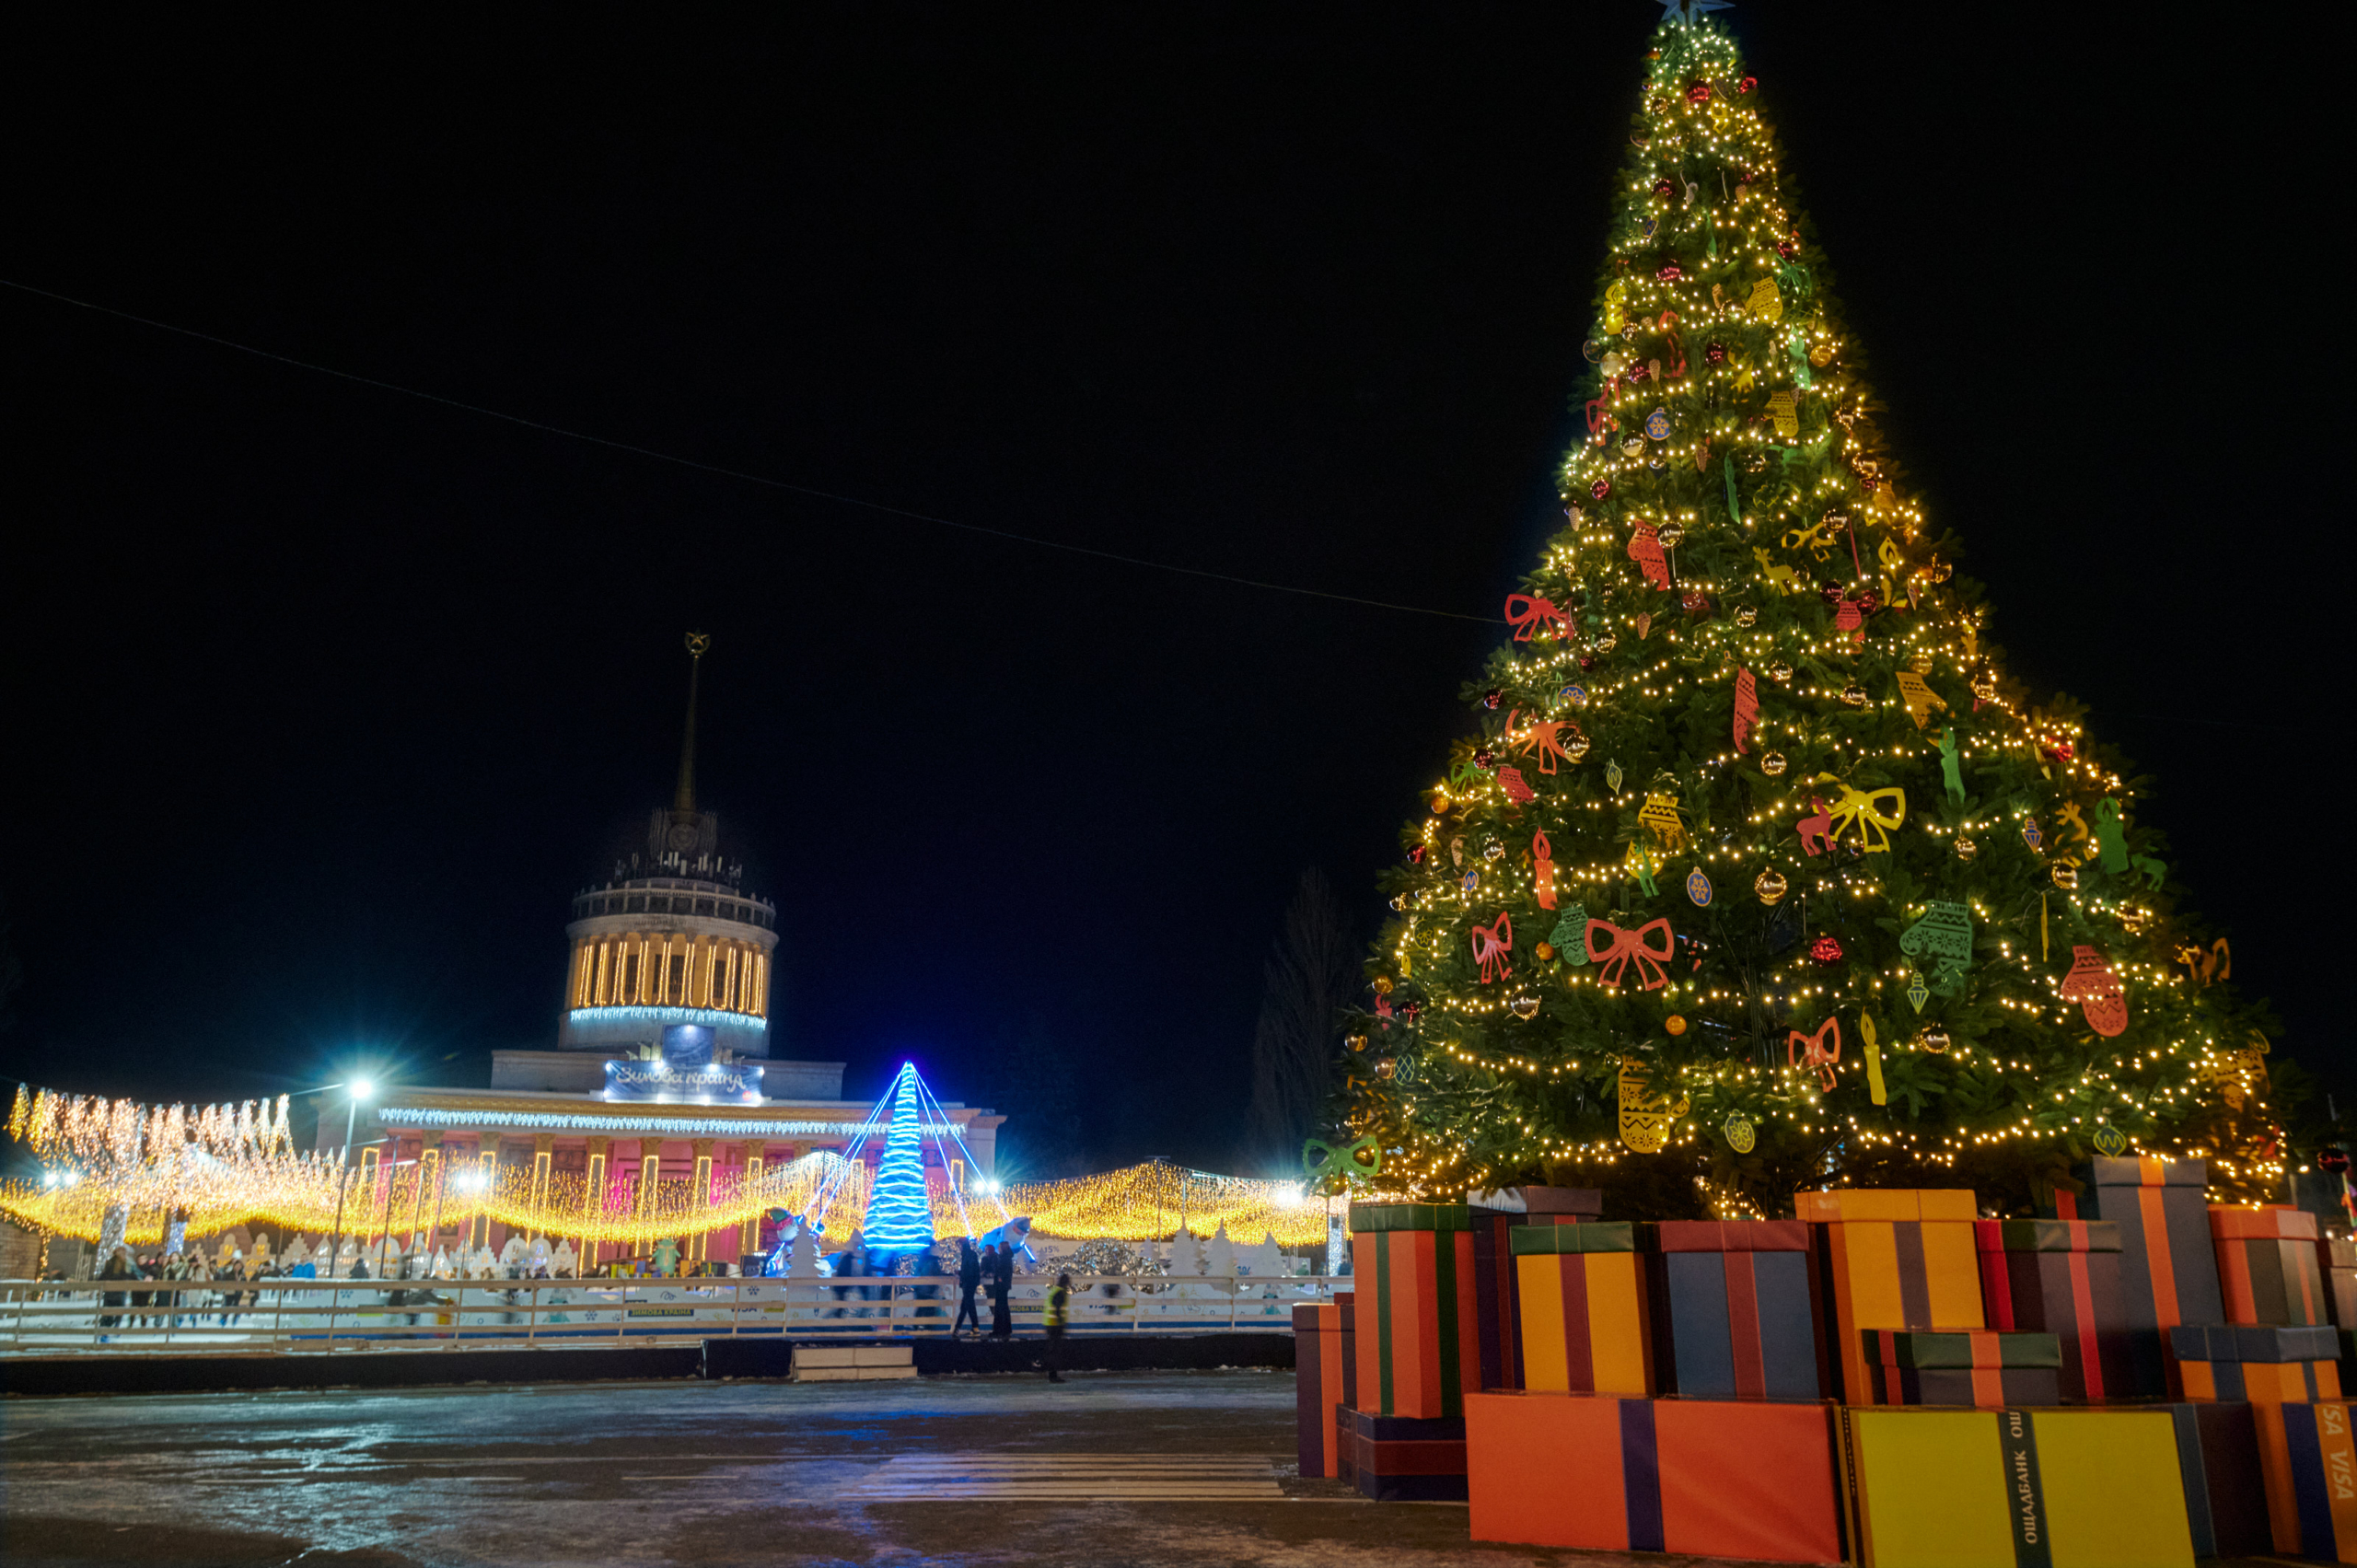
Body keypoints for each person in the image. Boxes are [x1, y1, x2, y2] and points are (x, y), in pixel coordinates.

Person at [97, 1245, 134, 1339]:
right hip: (110, 1291)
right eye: (119, 1251)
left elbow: (131, 1275)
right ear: (116, 1252)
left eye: (123, 1251)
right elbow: (106, 1274)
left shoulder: (128, 1263)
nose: (121, 1253)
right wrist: (98, 1282)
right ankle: (105, 1331)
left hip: (121, 1290)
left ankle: (116, 1326)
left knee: (120, 1310)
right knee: (107, 1311)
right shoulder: (111, 1262)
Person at [1042, 1271, 1071, 1382]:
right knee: (1055, 1351)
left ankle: (1051, 1374)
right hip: (1055, 1325)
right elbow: (1058, 1308)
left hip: (1049, 1323)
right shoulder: (1061, 1293)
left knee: (1052, 1350)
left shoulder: (1054, 1290)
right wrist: (1061, 1322)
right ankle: (1053, 1376)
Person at [954, 1238, 982, 1338]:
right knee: (968, 1306)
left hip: (968, 1283)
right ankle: (974, 1328)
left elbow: (969, 1271)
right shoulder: (970, 1254)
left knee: (966, 1306)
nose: (959, 1247)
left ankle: (957, 1329)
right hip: (970, 1283)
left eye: (960, 1245)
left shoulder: (967, 1255)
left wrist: (960, 1273)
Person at [986, 1240, 1013, 1340]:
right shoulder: (1007, 1257)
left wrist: (998, 1276)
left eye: (1000, 1247)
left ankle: (999, 1331)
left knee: (1000, 1309)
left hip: (1001, 1286)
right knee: (1003, 1308)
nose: (998, 1249)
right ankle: (1005, 1330)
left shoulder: (1003, 1258)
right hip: (1004, 1286)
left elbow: (1001, 1270)